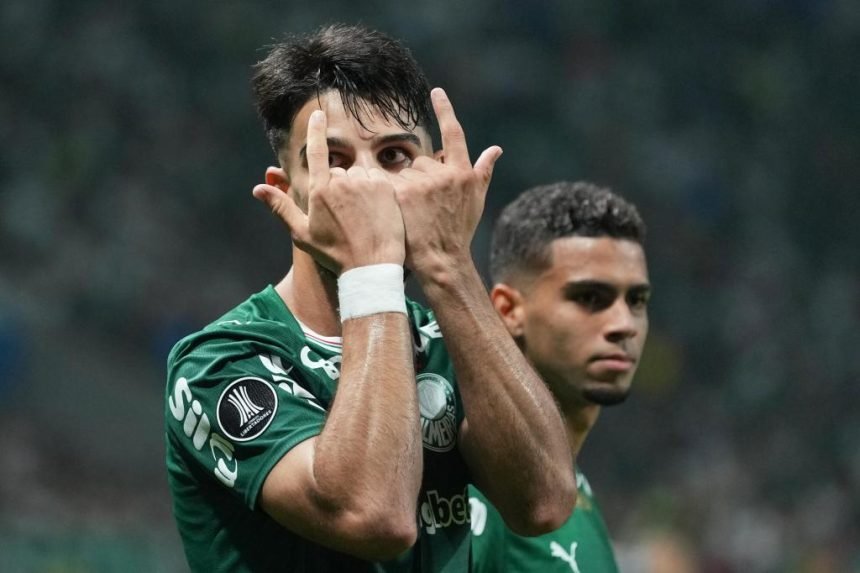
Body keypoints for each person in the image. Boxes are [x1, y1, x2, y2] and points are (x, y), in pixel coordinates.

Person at [165, 24, 576, 572]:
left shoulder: (448, 339)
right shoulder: (220, 362)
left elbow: (544, 503)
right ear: (285, 193)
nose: (368, 185)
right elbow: (374, 517)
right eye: (334, 159)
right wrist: (371, 272)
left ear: (438, 178)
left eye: (395, 155)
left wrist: (450, 265)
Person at [469, 181, 651, 572]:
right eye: (590, 298)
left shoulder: (578, 496)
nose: (624, 324)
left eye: (636, 300)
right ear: (508, 310)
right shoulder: (470, 490)